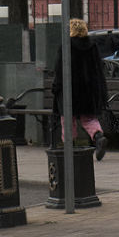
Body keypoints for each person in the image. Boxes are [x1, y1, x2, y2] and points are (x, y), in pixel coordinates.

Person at [47, 17, 109, 158]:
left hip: (70, 91)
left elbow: (59, 69)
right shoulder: (92, 46)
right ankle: (98, 137)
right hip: (88, 91)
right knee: (89, 118)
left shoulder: (66, 46)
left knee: (68, 120)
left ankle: (70, 147)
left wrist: (56, 87)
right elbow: (98, 69)